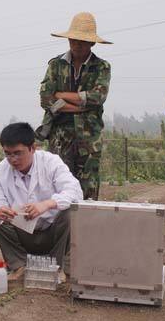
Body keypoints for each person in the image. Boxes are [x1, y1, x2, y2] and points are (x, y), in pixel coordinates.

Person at [0, 122, 83, 279]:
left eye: (18, 153)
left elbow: (74, 192)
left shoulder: (51, 162)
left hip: (53, 234)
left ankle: (57, 267)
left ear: (33, 148)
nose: (13, 159)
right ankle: (19, 265)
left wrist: (46, 204)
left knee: (70, 212)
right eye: (8, 154)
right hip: (23, 236)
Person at [38, 12, 112, 200]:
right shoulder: (56, 65)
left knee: (88, 188)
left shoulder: (101, 67)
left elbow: (97, 97)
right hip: (59, 136)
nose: (76, 44)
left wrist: (61, 96)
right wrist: (80, 106)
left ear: (92, 43)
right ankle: (60, 228)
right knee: (58, 185)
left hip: (89, 138)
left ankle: (87, 228)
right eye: (74, 40)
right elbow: (46, 99)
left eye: (82, 41)